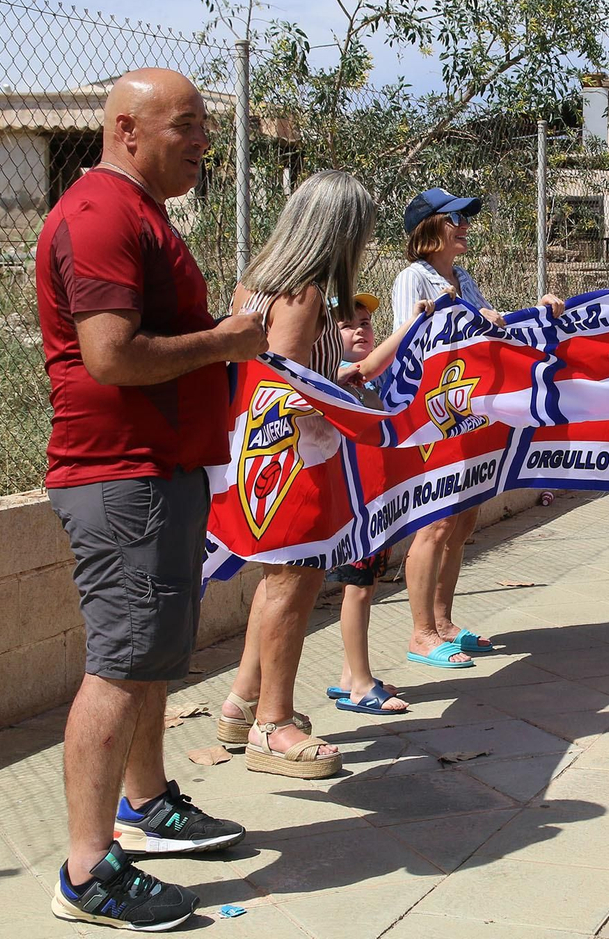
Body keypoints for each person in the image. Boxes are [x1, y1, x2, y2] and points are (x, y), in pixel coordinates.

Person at [37, 68, 266, 931]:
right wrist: (228, 341)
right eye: (187, 125)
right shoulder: (101, 215)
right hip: (120, 474)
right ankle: (87, 870)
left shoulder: (142, 213)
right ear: (127, 128)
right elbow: (111, 355)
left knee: (151, 653)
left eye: (206, 124)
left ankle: (145, 800)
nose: (204, 140)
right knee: (122, 663)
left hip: (156, 470)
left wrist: (224, 334)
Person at [215, 170, 380, 779]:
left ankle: (242, 702)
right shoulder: (304, 293)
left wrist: (341, 382)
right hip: (296, 461)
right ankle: (274, 724)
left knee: (276, 583)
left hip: (258, 459)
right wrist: (343, 396)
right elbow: (282, 383)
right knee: (295, 583)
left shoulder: (254, 286)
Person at [391, 188, 565, 667]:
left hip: (468, 413)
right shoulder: (413, 279)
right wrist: (457, 315)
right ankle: (421, 632)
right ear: (430, 229)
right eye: (455, 218)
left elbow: (492, 330)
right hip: (432, 418)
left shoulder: (462, 277)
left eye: (466, 217)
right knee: (437, 519)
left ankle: (444, 621)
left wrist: (537, 313)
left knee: (464, 516)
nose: (465, 225)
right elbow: (409, 342)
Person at [328, 291, 429, 715]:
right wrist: (411, 325)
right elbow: (366, 367)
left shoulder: (375, 382)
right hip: (351, 508)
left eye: (366, 322)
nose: (361, 330)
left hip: (377, 502)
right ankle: (360, 685)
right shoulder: (334, 373)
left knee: (365, 589)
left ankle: (350, 675)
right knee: (358, 590)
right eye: (348, 324)